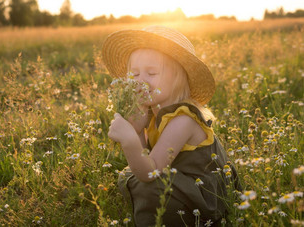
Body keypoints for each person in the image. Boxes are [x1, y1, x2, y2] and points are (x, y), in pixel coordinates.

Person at [102, 26, 240, 226]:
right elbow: (146, 159)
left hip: (204, 195)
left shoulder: (183, 120)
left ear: (177, 78)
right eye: (134, 74)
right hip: (177, 178)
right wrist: (138, 129)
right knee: (130, 175)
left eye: (151, 73)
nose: (141, 80)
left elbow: (150, 173)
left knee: (146, 186)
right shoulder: (153, 112)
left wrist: (130, 139)